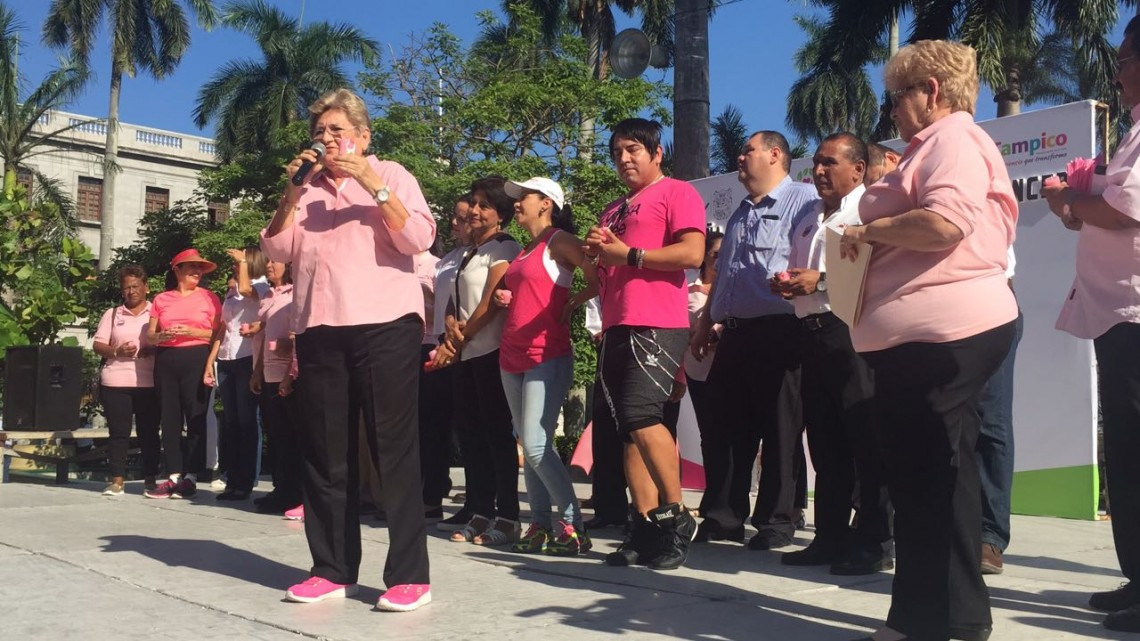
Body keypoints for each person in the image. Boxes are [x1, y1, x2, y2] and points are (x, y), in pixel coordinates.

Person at [839, 40, 1018, 641]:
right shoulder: (935, 146)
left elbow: (946, 223)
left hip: (943, 336)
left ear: (931, 92)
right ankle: (954, 617)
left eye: (895, 96)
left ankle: (927, 620)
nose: (890, 110)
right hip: (923, 339)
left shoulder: (955, 140)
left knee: (922, 479)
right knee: (942, 475)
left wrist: (868, 231)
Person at [262, 88, 434, 612]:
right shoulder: (307, 190)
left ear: (363, 135)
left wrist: (371, 182)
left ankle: (409, 576)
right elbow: (275, 249)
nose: (328, 140)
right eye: (321, 133)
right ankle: (333, 569)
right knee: (326, 452)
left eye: (338, 131)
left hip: (386, 326)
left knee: (392, 448)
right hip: (319, 329)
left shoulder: (393, 173)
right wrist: (291, 195)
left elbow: (420, 238)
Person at [1042, 19, 1140, 633]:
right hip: (1117, 311)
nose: (1119, 66)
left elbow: (1128, 211)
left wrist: (1068, 201)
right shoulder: (1133, 134)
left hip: (1135, 312)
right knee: (1127, 452)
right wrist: (1080, 202)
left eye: (1127, 54)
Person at [584, 118, 705, 571]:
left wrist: (629, 254)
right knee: (627, 432)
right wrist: (594, 253)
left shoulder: (676, 192)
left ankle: (677, 517)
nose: (624, 158)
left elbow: (692, 254)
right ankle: (646, 525)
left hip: (655, 322)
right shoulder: (613, 208)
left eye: (633, 149)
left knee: (642, 416)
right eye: (616, 152)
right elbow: (600, 273)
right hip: (615, 324)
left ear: (656, 153)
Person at [690, 131, 817, 550]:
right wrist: (706, 321)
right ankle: (723, 516)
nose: (740, 157)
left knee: (780, 431)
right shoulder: (741, 213)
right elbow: (725, 275)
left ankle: (776, 521)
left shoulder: (803, 201)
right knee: (726, 430)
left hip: (781, 330)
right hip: (734, 332)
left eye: (748, 150)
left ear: (775, 155)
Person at [773, 133, 892, 575]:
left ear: (858, 170)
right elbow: (804, 272)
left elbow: (876, 271)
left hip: (851, 330)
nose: (818, 172)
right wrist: (788, 284)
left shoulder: (871, 210)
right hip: (810, 332)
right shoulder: (808, 216)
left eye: (829, 163)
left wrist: (819, 282)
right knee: (824, 442)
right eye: (816, 164)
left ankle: (875, 540)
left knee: (866, 439)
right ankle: (830, 537)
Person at [498, 177, 590, 555]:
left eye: (525, 197)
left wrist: (574, 302)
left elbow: (600, 275)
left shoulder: (560, 241)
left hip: (546, 354)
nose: (517, 203)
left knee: (536, 446)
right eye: (517, 198)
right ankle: (538, 525)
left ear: (546, 203)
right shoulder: (523, 250)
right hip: (511, 355)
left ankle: (572, 526)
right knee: (527, 443)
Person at [434, 177, 523, 547]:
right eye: (473, 202)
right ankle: (480, 510)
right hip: (466, 352)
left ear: (500, 214)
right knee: (470, 436)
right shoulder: (469, 252)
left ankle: (508, 516)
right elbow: (454, 297)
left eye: (484, 205)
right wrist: (452, 326)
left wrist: (463, 335)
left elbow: (489, 302)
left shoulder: (504, 247)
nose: (474, 210)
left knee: (497, 436)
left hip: (489, 351)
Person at [145, 249, 224, 500]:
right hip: (167, 359)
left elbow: (219, 334)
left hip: (197, 358)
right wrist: (160, 337)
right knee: (169, 418)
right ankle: (172, 475)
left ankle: (191, 476)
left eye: (199, 268)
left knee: (196, 417)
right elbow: (150, 335)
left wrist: (191, 331)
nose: (196, 272)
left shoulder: (210, 298)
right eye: (191, 267)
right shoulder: (161, 299)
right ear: (177, 270)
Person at [204, 248, 270, 501]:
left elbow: (246, 289)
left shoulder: (261, 287)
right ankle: (232, 478)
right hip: (228, 359)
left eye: (238, 265)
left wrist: (242, 261)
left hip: (247, 359)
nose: (233, 269)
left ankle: (246, 480)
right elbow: (224, 327)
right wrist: (211, 359)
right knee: (230, 422)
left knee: (246, 421)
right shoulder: (232, 291)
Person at [975, 248, 1024, 576]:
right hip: (927, 317)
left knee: (990, 424)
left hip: (988, 312)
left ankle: (989, 536)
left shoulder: (984, 201)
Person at [92, 265, 160, 496]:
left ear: (146, 288)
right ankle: (117, 480)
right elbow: (97, 345)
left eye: (135, 286)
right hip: (116, 381)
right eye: (126, 288)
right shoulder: (112, 314)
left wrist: (151, 349)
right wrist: (117, 351)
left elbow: (168, 341)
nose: (131, 291)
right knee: (119, 433)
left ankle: (150, 479)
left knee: (149, 432)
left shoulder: (156, 312)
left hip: (148, 382)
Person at [432, 195, 475, 532]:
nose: (458, 223)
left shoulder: (484, 254)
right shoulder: (448, 258)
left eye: (465, 217)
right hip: (438, 345)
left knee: (470, 427)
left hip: (466, 344)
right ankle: (435, 495)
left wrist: (456, 339)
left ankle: (479, 502)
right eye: (456, 217)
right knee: (440, 426)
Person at [684, 232, 729, 539]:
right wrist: (704, 331)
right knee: (710, 437)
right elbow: (683, 328)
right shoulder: (687, 291)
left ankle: (725, 503)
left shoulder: (734, 291)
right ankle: (712, 499)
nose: (719, 260)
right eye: (714, 254)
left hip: (729, 370)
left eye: (725, 255)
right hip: (699, 370)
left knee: (729, 439)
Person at [249, 259, 302, 516]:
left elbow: (299, 336)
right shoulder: (270, 294)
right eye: (267, 260)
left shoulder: (296, 294)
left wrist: (287, 351)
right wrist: (257, 370)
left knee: (293, 438)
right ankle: (281, 489)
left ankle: (295, 493)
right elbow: (264, 335)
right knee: (276, 436)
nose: (269, 264)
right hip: (269, 372)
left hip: (289, 373)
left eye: (275, 261)